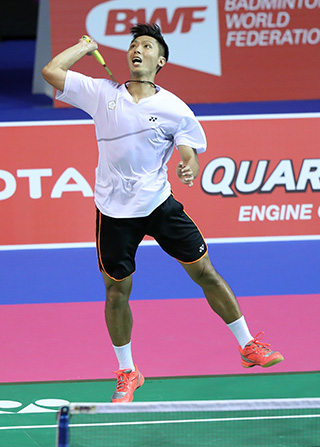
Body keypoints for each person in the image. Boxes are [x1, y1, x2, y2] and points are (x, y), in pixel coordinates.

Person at [42, 24, 283, 403]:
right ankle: (128, 372)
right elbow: (51, 72)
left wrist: (189, 166)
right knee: (116, 292)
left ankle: (247, 345)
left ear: (161, 61)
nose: (138, 49)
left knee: (205, 272)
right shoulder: (101, 93)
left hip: (158, 205)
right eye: (133, 45)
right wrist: (82, 47)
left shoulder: (174, 108)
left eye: (147, 46)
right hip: (114, 212)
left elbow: (190, 151)